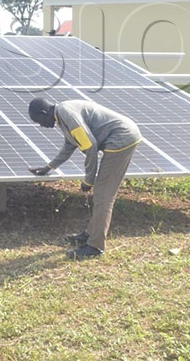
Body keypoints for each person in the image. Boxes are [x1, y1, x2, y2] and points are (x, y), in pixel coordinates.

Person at [27, 96, 143, 260]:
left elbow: (90, 145)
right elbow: (69, 145)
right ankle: (90, 234)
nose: (41, 125)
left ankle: (95, 246)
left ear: (44, 112)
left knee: (103, 194)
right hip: (121, 135)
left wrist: (88, 180)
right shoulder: (61, 114)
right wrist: (48, 168)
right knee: (101, 193)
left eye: (39, 121)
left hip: (121, 139)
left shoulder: (66, 114)